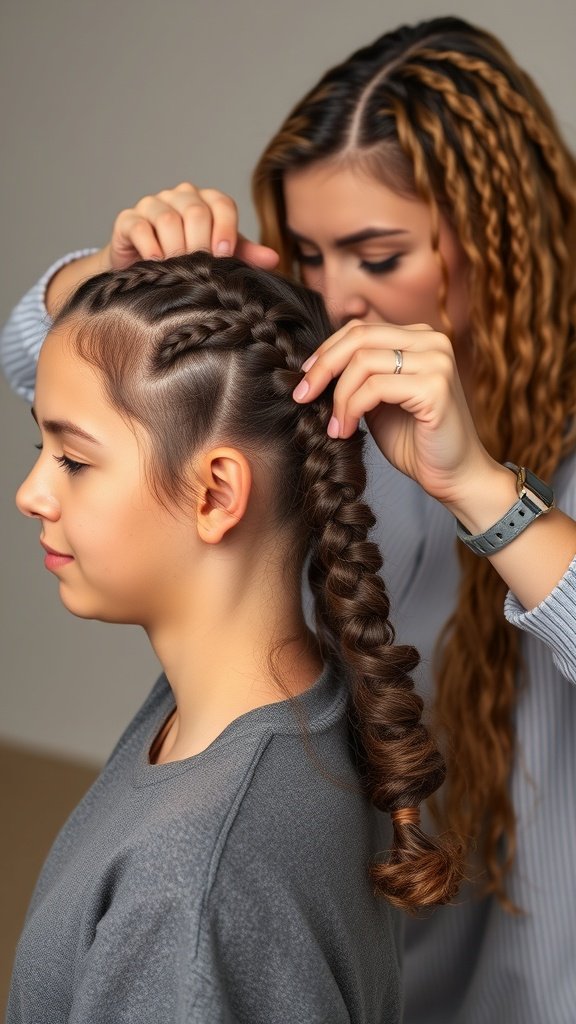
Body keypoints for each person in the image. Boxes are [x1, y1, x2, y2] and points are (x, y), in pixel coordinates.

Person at [2, 13, 576, 1024]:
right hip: (344, 954)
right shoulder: (334, 408)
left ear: (499, 238)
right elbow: (83, 402)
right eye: (309, 256)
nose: (337, 300)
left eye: (377, 253)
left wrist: (481, 484)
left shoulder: (197, 888)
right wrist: (109, 275)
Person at [7, 251, 460, 1024]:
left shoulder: (187, 893)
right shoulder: (280, 703)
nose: (30, 493)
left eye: (74, 459)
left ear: (217, 493)